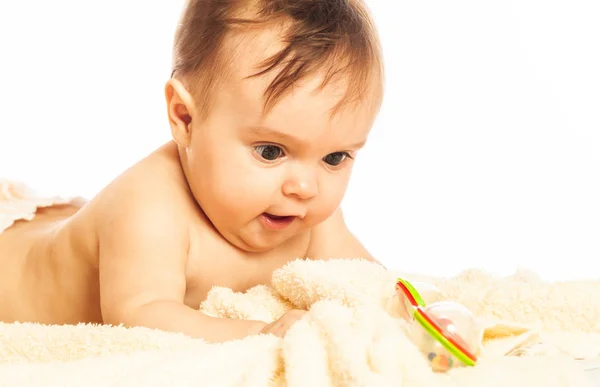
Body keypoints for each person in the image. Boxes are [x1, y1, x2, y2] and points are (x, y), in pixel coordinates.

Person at [0, 0, 385, 343]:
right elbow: (140, 316)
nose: (305, 187)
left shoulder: (309, 215)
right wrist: (260, 334)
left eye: (334, 158)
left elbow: (371, 283)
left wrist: (410, 313)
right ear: (185, 118)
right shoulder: (148, 209)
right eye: (271, 151)